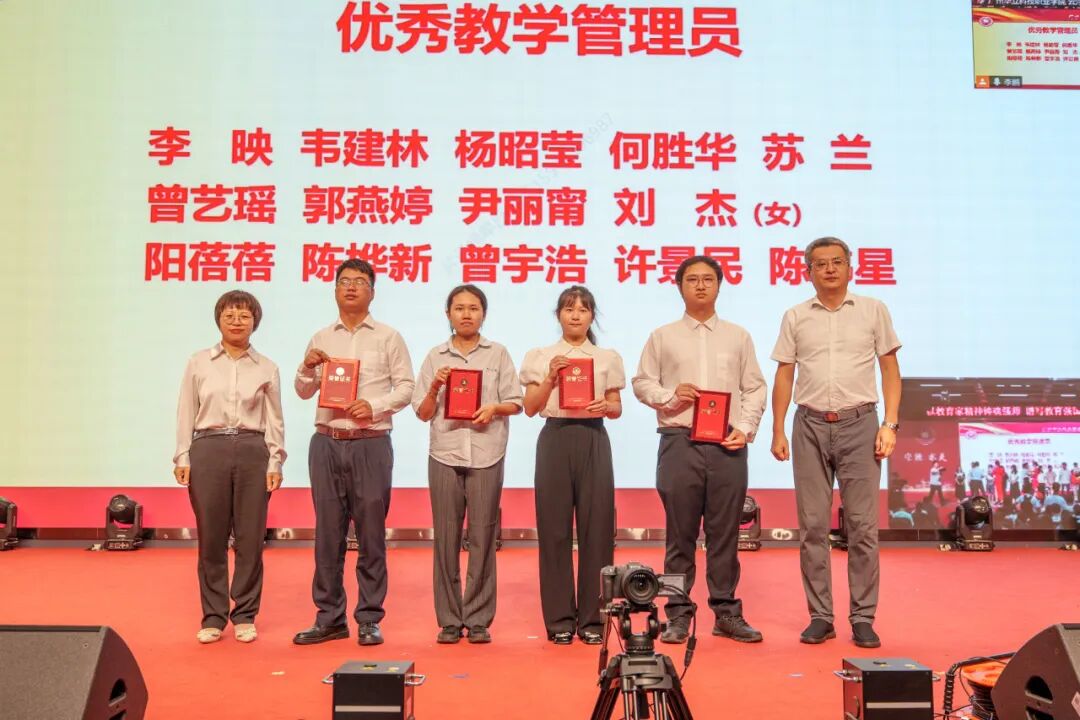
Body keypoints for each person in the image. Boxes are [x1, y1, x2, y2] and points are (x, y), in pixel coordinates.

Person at [770, 237, 901, 649]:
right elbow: (785, 374)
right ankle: (821, 617)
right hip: (808, 425)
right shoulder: (796, 316)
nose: (829, 269)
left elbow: (890, 369)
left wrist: (890, 424)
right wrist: (777, 429)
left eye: (837, 262)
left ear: (850, 268)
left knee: (862, 526)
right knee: (812, 526)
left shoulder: (873, 310)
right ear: (807, 271)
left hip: (861, 423)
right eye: (821, 263)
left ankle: (862, 617)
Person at [632, 255, 767, 645]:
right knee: (680, 536)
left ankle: (726, 613)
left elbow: (755, 387)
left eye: (709, 279)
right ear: (679, 287)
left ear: (720, 285)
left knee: (725, 535)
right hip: (679, 442)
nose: (701, 285)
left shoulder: (738, 336)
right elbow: (642, 383)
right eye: (692, 279)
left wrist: (745, 428)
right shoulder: (663, 336)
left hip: (727, 444)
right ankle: (677, 613)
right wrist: (671, 396)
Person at [292, 259, 415, 646]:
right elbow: (303, 390)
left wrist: (374, 407)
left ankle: (369, 617)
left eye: (359, 282)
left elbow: (406, 387)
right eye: (344, 281)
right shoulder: (321, 337)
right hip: (326, 441)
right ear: (334, 290)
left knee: (371, 534)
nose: (350, 287)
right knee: (327, 535)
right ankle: (329, 617)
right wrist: (306, 367)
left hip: (370, 442)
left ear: (372, 292)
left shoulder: (389, 337)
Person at [412, 285, 523, 644]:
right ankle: (448, 619)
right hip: (444, 453)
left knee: (483, 536)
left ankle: (477, 618)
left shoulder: (498, 353)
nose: (466, 314)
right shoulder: (435, 356)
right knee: (445, 537)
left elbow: (516, 402)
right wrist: (434, 387)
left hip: (487, 452)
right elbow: (422, 412)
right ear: (448, 314)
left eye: (473, 308)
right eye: (459, 308)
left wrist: (493, 408)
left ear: (483, 314)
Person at [174, 290, 285, 644]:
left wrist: (275, 459)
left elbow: (275, 419)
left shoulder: (267, 367)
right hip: (208, 448)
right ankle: (213, 615)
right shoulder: (198, 362)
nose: (237, 321)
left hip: (253, 450)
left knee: (251, 538)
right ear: (218, 319)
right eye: (230, 315)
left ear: (255, 322)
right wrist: (182, 455)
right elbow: (186, 410)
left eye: (244, 316)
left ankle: (245, 614)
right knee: (212, 537)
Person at [520, 285, 624, 645]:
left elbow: (616, 406)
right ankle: (560, 620)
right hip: (555, 437)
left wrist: (606, 406)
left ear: (592, 316)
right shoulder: (541, 356)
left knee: (598, 529)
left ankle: (593, 620)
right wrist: (551, 376)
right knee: (554, 531)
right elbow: (530, 407)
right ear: (558, 315)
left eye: (582, 309)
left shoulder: (606, 357)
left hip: (594, 437)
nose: (576, 315)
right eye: (568, 309)